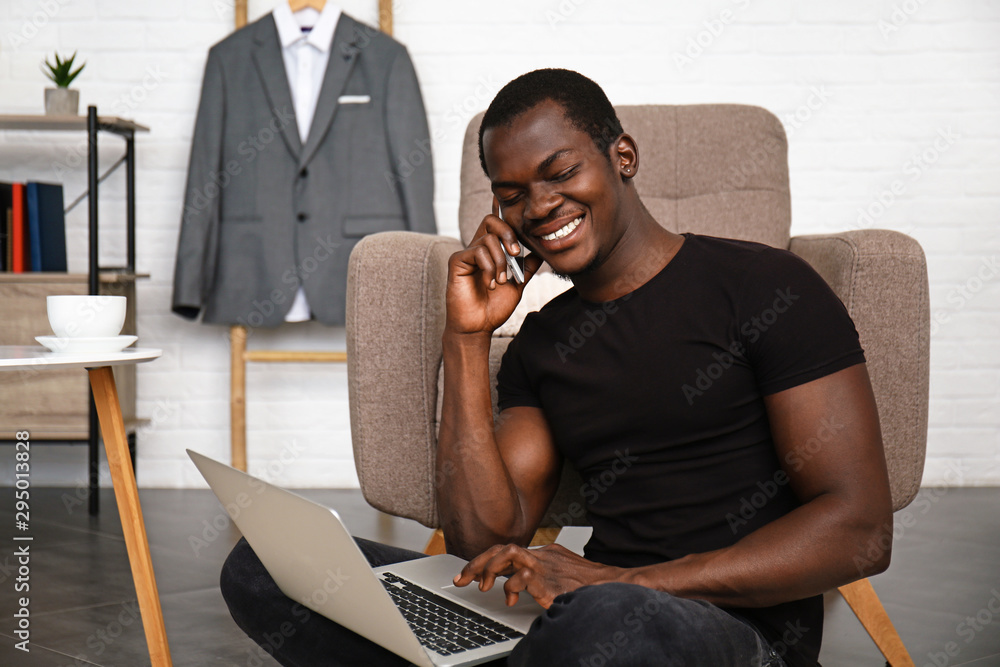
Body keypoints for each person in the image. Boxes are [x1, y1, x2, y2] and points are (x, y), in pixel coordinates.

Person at [220, 68, 893, 667]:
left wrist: (622, 583)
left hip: (726, 630)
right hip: (575, 618)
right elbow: (483, 537)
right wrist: (467, 337)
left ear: (622, 156)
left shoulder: (765, 285)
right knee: (267, 568)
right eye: (511, 194)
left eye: (561, 172)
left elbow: (859, 530)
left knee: (608, 623)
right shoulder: (546, 342)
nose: (538, 206)